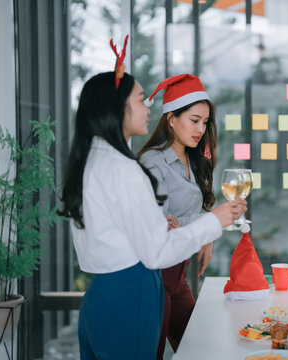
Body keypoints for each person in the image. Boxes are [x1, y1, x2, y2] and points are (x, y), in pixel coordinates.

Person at [59, 68, 246, 359]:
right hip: (131, 294)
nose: (147, 107)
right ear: (117, 107)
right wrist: (213, 221)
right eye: (140, 99)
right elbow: (156, 252)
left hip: (99, 297)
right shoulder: (126, 168)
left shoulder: (92, 161)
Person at [137, 74, 218, 360]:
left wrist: (202, 230)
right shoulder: (152, 162)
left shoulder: (194, 159)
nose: (200, 129)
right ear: (171, 118)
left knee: (199, 350)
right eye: (194, 120)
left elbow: (180, 220)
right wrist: (205, 226)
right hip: (155, 278)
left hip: (178, 276)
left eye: (205, 122)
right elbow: (160, 228)